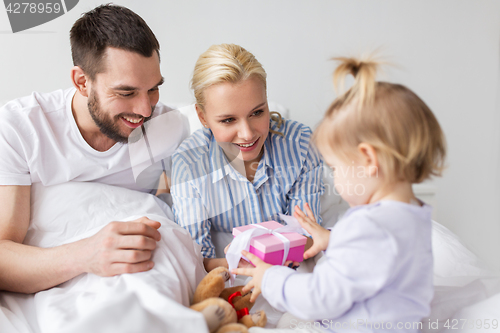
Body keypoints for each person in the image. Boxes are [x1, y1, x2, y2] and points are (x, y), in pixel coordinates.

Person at [232, 56, 447, 332]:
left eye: (335, 168)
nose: (334, 177)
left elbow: (321, 297)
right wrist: (333, 240)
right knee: (289, 322)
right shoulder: (413, 215)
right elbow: (377, 263)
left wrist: (271, 278)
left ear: (368, 159)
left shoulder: (367, 225)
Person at [0, 5, 182, 294]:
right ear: (82, 82)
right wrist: (87, 255)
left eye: (153, 89)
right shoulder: (22, 127)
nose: (145, 109)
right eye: (126, 93)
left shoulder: (169, 127)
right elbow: (3, 256)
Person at [171, 44, 324, 272]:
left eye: (257, 112)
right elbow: (196, 258)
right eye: (228, 120)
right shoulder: (189, 165)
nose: (248, 134)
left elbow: (308, 236)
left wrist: (263, 256)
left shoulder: (301, 146)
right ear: (203, 117)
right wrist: (240, 261)